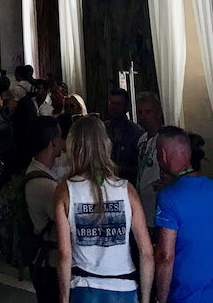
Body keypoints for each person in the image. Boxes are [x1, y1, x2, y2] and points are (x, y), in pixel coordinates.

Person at [54, 116, 154, 303]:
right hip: (124, 288)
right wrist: (146, 298)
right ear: (105, 145)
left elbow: (64, 254)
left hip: (84, 287)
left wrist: (64, 298)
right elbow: (147, 253)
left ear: (73, 147)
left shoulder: (66, 190)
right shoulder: (127, 189)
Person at [154, 127, 213, 302]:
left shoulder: (168, 197)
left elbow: (165, 256)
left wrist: (160, 298)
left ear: (163, 155)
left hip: (184, 295)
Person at [24, 117, 65, 302]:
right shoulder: (45, 185)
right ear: (53, 142)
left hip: (42, 259)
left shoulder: (36, 171)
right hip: (49, 262)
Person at [136, 92, 164, 233]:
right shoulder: (142, 139)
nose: (143, 116)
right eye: (140, 112)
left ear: (158, 114)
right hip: (143, 206)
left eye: (148, 112)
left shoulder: (165, 139)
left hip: (159, 206)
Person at [105, 88, 144, 184]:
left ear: (127, 107)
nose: (114, 107)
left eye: (118, 104)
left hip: (129, 184)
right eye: (111, 103)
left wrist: (122, 168)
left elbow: (142, 166)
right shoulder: (102, 129)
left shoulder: (137, 133)